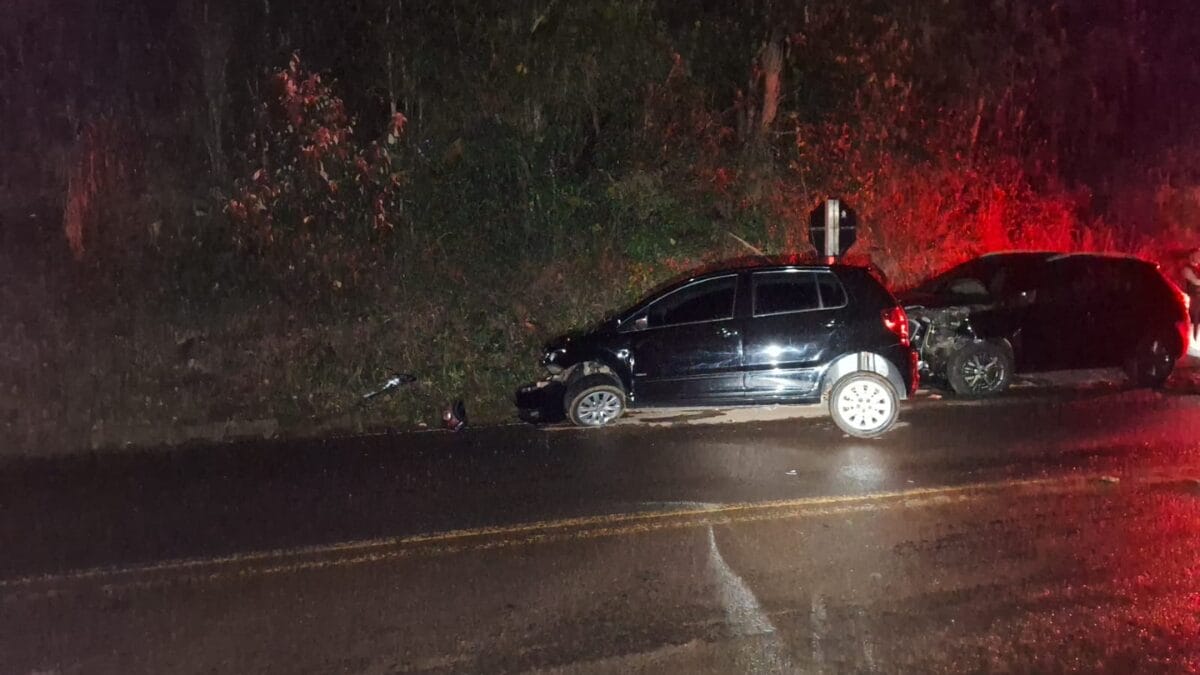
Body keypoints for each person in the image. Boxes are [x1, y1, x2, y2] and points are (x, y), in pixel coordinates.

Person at [1182, 248, 1200, 352]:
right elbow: (1196, 281)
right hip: (1193, 300)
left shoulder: (1198, 269)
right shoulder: (1186, 269)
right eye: (1198, 255)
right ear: (1191, 256)